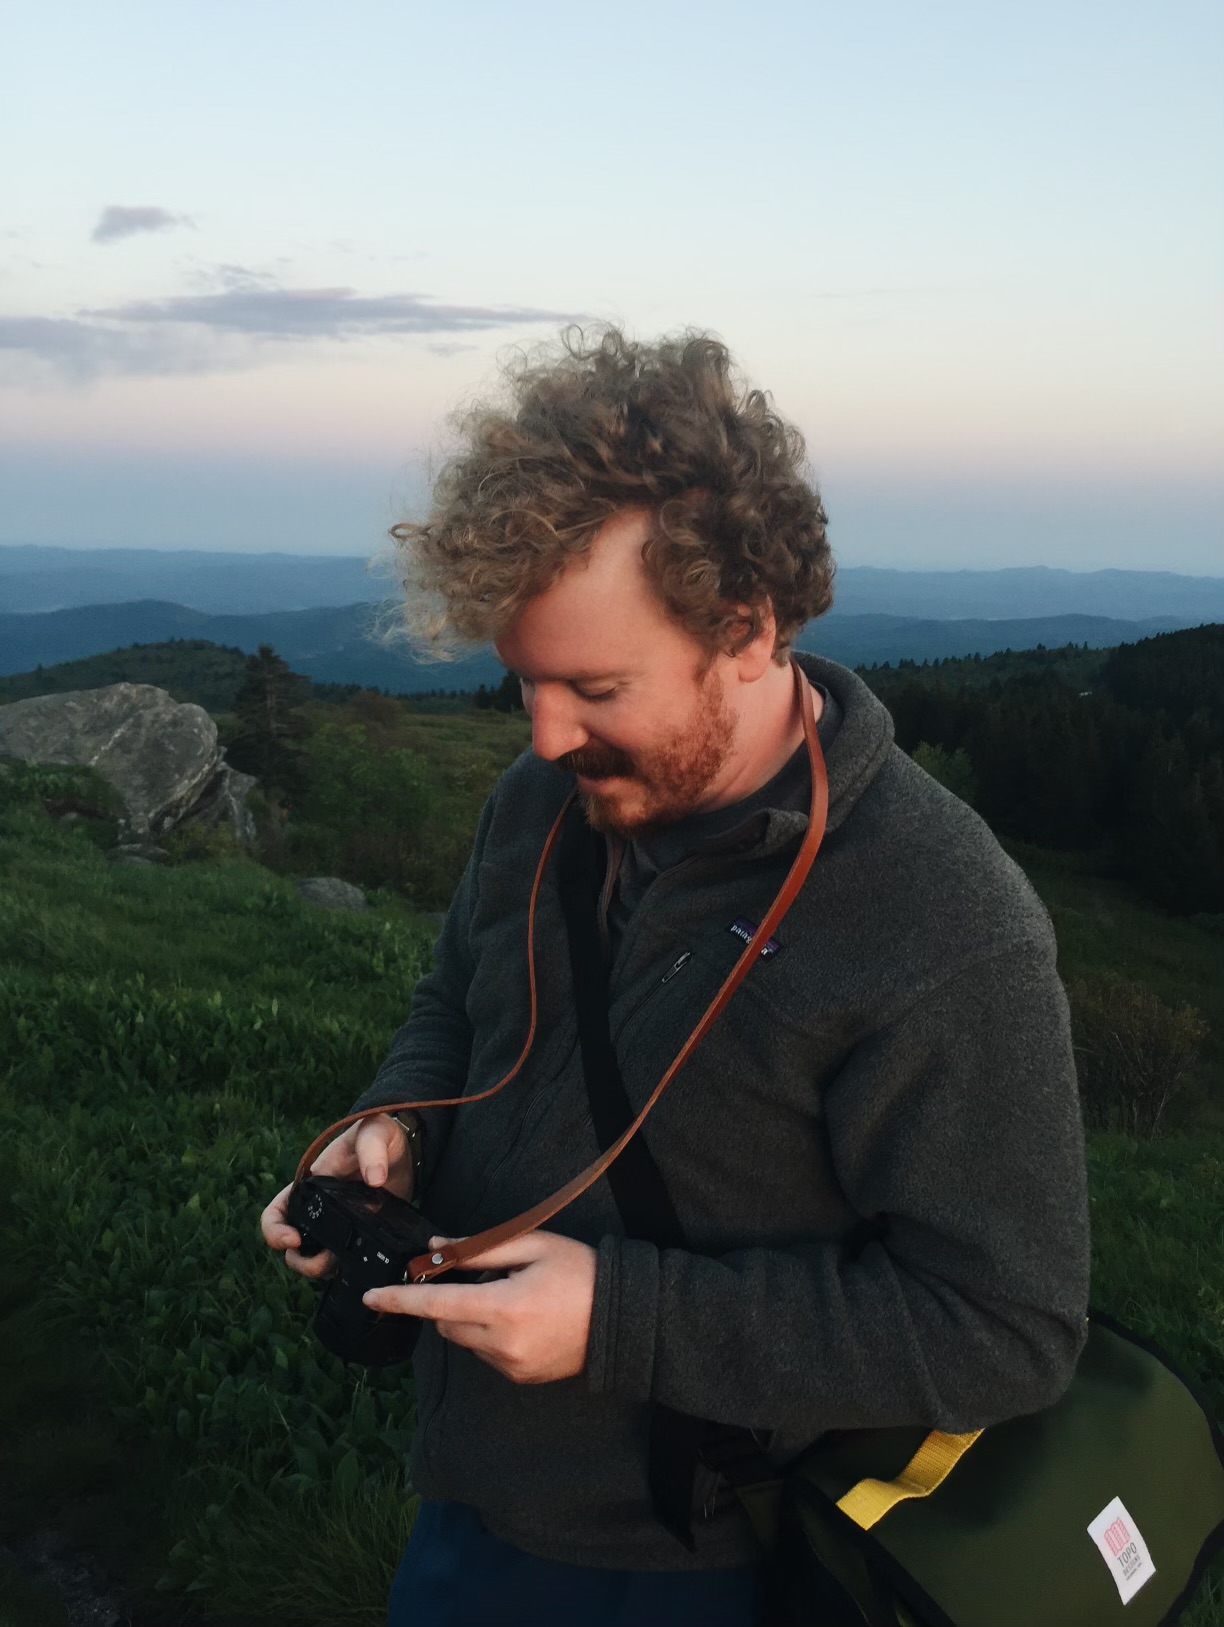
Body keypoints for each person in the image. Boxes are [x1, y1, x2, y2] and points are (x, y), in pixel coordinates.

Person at [261, 327, 1091, 1626]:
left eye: (594, 685)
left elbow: (1006, 1330)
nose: (543, 738)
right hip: (470, 1501)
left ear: (750, 626)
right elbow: (454, 1006)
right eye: (522, 680)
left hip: (696, 1567)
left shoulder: (943, 926)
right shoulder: (543, 796)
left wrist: (623, 1321)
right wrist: (395, 1129)